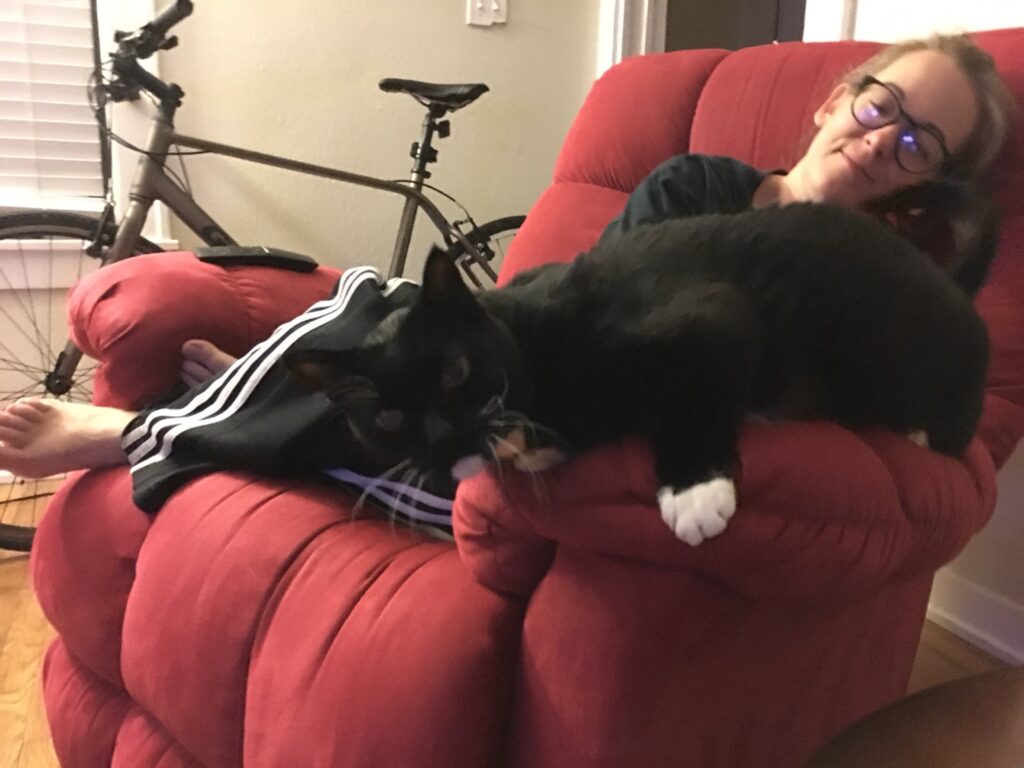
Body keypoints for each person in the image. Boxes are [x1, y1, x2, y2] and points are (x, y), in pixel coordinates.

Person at [0, 32, 1016, 518]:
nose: (883, 140)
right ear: (835, 101)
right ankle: (252, 391)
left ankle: (154, 427)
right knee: (373, 312)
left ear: (926, 189)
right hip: (524, 346)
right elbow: (596, 307)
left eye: (919, 144)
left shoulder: (889, 296)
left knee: (382, 368)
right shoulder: (702, 184)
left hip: (544, 414)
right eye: (879, 107)